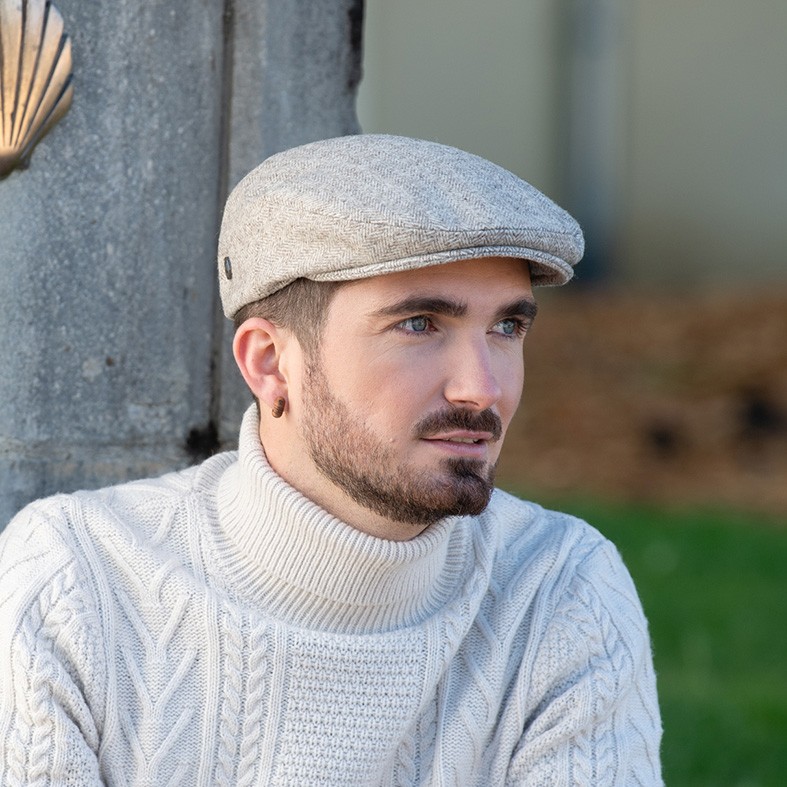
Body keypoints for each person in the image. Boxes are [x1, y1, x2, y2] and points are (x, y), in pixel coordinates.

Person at [0, 134, 662, 785]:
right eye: (419, 324)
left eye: (506, 328)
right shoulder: (75, 583)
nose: (482, 387)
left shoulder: (559, 592)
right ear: (270, 363)